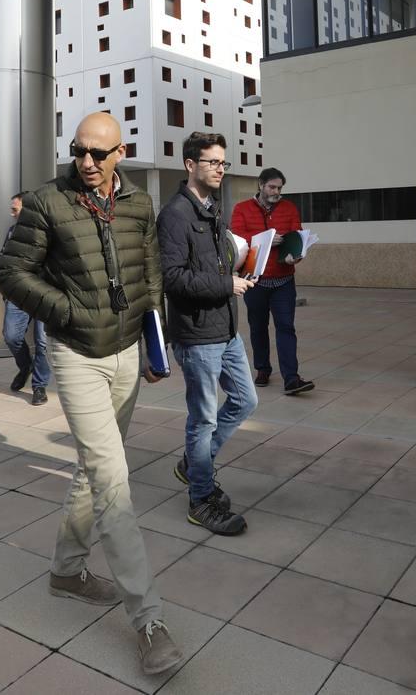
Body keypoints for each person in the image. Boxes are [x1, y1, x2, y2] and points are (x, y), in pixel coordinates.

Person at [0, 111, 184, 676]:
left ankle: (65, 570)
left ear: (120, 153)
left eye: (99, 153)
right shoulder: (47, 203)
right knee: (111, 479)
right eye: (79, 151)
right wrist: (69, 313)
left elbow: (150, 275)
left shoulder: (139, 204)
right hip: (77, 355)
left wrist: (156, 344)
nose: (88, 162)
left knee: (93, 466)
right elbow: (11, 273)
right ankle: (148, 619)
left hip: (128, 352)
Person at [157, 131, 258, 536]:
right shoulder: (175, 215)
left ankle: (193, 463)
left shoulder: (212, 208)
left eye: (223, 162)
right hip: (197, 335)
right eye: (212, 162)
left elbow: (214, 264)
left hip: (225, 328)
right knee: (202, 419)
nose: (220, 168)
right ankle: (201, 498)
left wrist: (243, 262)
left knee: (246, 400)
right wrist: (225, 285)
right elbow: (173, 278)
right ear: (190, 165)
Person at [230, 168, 314, 394]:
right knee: (258, 327)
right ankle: (262, 369)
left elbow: (297, 236)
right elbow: (235, 237)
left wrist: (295, 255)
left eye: (279, 188)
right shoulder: (242, 209)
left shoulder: (289, 208)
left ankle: (291, 378)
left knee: (286, 327)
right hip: (254, 280)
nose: (276, 192)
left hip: (284, 279)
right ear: (261, 185)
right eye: (272, 187)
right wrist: (265, 239)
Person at [2, 191, 51, 406]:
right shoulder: (12, 232)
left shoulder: (51, 232)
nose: (11, 214)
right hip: (18, 295)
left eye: (15, 209)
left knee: (42, 343)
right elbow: (5, 261)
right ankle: (25, 367)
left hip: (44, 295)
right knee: (11, 336)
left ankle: (39, 386)